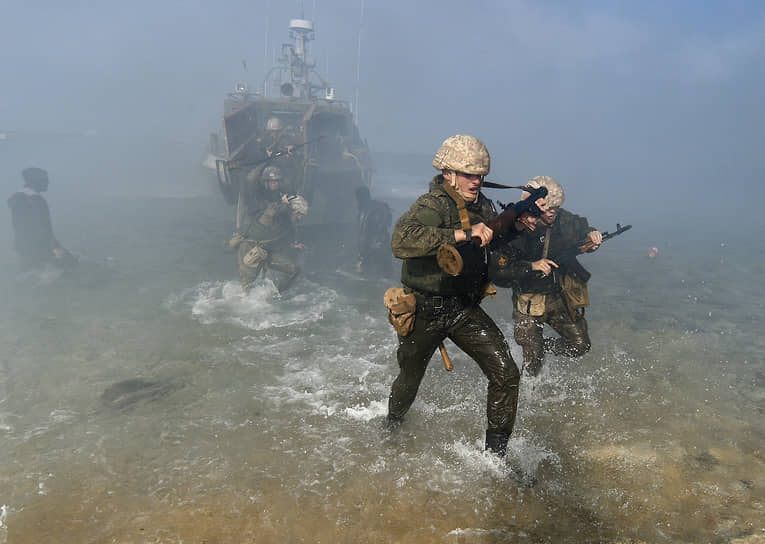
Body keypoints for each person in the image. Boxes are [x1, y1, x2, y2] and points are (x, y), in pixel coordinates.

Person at [386, 134, 543, 458]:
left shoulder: (483, 205)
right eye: (469, 174)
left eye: (480, 175)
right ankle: (391, 425)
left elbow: (489, 244)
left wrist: (516, 228)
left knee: (506, 373)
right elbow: (402, 241)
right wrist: (462, 232)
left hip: (462, 309)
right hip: (426, 309)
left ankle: (495, 457)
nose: (477, 181)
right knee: (410, 377)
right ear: (448, 174)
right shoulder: (432, 205)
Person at [502, 176, 602, 376]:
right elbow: (501, 272)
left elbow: (583, 229)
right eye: (548, 208)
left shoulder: (564, 220)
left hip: (558, 296)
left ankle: (542, 346)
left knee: (580, 345)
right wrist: (532, 266)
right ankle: (526, 394)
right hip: (528, 300)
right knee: (533, 366)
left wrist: (593, 235)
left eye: (556, 207)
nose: (553, 212)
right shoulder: (515, 227)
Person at [237, 193, 309, 294]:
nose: (300, 217)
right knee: (247, 288)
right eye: (298, 213)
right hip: (249, 248)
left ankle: (277, 294)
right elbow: (272, 210)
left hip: (266, 251)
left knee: (294, 270)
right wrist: (284, 204)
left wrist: (293, 246)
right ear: (290, 210)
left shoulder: (287, 223)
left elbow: (279, 238)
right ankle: (245, 302)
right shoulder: (273, 214)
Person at [7, 167, 74, 271]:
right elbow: (43, 228)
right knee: (68, 268)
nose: (48, 182)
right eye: (45, 179)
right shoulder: (35, 200)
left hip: (23, 247)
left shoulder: (18, 198)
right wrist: (56, 248)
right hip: (39, 248)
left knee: (29, 275)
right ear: (36, 181)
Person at [354, 186, 393, 277]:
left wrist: (363, 256)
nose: (357, 201)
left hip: (376, 246)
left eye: (358, 198)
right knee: (383, 272)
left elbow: (375, 230)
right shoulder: (366, 210)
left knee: (380, 272)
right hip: (376, 245)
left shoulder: (371, 210)